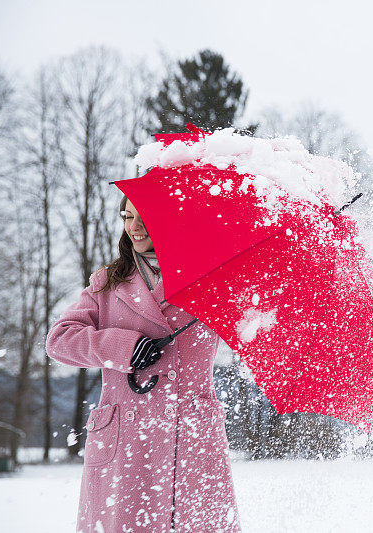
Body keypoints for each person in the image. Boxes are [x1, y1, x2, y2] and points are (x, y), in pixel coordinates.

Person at [46, 196, 241, 533]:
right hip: (126, 438)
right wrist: (122, 347)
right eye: (127, 216)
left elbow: (256, 321)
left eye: (144, 218)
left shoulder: (212, 279)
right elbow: (60, 341)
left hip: (191, 433)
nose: (133, 227)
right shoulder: (109, 281)